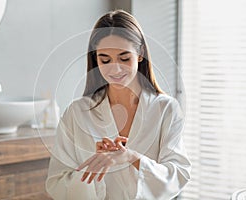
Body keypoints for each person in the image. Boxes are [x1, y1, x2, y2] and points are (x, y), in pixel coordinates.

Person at [46, 10, 191, 200]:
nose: (115, 69)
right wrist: (94, 167)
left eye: (124, 58)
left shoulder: (166, 109)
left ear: (140, 54)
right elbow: (56, 183)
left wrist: (132, 158)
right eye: (105, 60)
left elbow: (178, 174)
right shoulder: (77, 113)